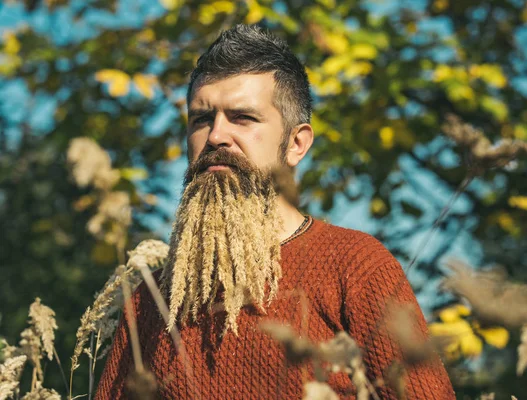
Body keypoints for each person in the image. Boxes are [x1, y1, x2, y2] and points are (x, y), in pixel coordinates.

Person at [94, 24, 455, 399]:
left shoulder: (356, 266)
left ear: (296, 144)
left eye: (242, 118)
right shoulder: (151, 298)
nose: (216, 135)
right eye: (202, 119)